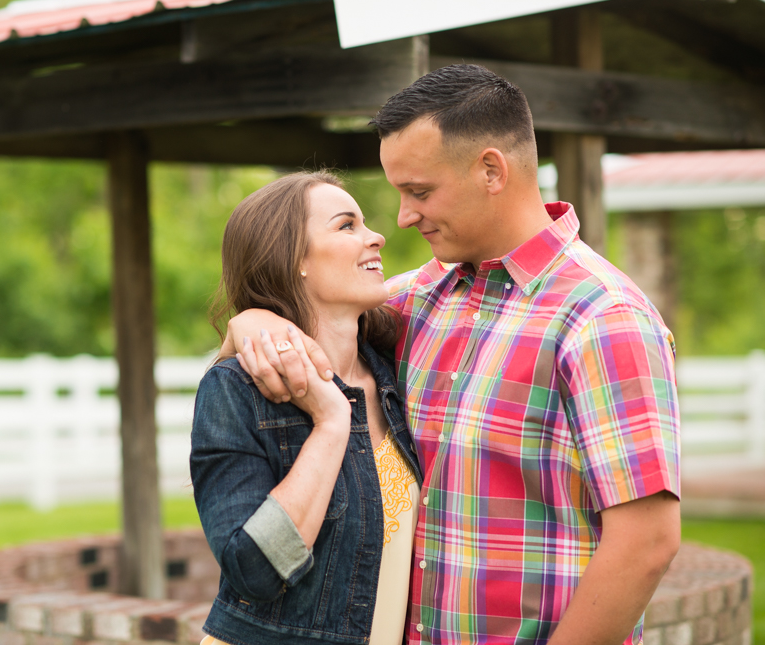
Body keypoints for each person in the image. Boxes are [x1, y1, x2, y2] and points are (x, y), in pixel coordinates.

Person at [226, 64, 681, 645]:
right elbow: (311, 303)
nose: (403, 217)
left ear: (491, 170)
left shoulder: (603, 316)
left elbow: (646, 543)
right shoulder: (422, 297)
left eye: (419, 191)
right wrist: (254, 318)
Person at [189, 171, 424, 645]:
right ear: (294, 260)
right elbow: (252, 571)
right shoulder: (237, 390)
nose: (377, 236)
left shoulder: (397, 370)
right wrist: (332, 421)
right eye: (347, 226)